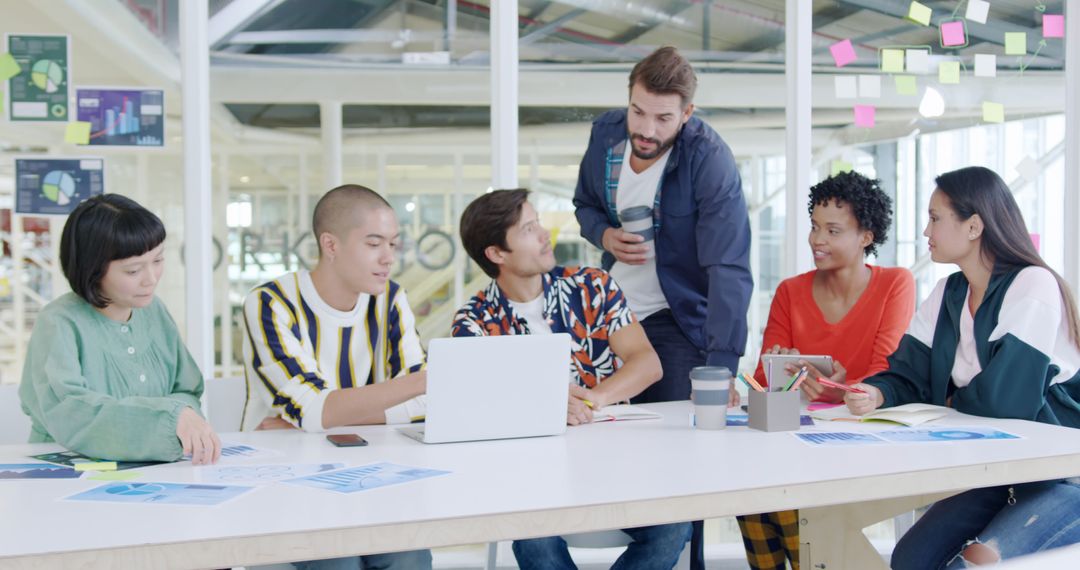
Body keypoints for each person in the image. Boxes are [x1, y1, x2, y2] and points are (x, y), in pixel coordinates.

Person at [844, 166, 1080, 568]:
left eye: (935, 218)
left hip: (1059, 478)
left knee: (972, 564)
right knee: (910, 559)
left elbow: (1008, 402)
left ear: (973, 227)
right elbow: (908, 374)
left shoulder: (1033, 284)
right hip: (995, 475)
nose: (925, 231)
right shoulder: (947, 293)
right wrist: (880, 391)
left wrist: (948, 396)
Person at [572, 47, 752, 565]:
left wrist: (720, 372)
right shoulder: (607, 133)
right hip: (610, 314)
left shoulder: (707, 160)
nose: (646, 129)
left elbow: (729, 269)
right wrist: (603, 231)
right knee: (593, 443)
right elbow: (584, 204)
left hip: (676, 320)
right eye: (638, 111)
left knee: (676, 464)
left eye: (663, 117)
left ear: (687, 114)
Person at [452, 188, 690, 569]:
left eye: (538, 223)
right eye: (529, 229)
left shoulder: (592, 285)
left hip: (614, 458)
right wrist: (543, 408)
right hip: (532, 474)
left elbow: (647, 363)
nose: (545, 234)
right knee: (536, 542)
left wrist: (589, 401)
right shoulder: (473, 323)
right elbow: (480, 411)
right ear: (497, 254)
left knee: (674, 526)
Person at [241, 183, 431, 570]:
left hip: (370, 475)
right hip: (284, 477)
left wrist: (321, 419)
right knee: (338, 559)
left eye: (393, 244)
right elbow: (420, 390)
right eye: (374, 243)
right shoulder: (271, 303)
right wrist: (424, 381)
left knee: (410, 552)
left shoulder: (390, 299)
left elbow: (424, 409)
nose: (388, 258)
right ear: (331, 245)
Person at [737, 172, 915, 570]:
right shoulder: (789, 292)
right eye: (815, 227)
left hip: (860, 442)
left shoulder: (895, 284)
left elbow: (882, 372)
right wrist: (780, 370)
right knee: (753, 497)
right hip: (797, 442)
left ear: (865, 237)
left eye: (833, 231)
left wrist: (838, 388)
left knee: (786, 502)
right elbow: (766, 383)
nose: (818, 240)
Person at [19, 194, 221, 465]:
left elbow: (186, 389)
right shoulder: (59, 321)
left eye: (158, 260)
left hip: (159, 472)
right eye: (133, 270)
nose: (151, 279)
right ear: (93, 270)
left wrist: (182, 413)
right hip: (68, 473)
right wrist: (169, 418)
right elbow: (70, 412)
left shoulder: (154, 311)